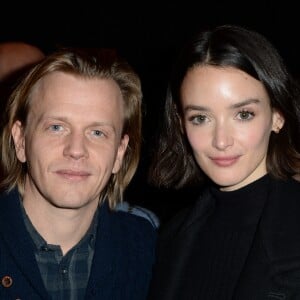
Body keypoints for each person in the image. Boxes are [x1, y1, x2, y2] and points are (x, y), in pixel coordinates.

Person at [147, 24, 300, 299]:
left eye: (243, 114)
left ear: (277, 115)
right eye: (201, 118)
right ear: (181, 124)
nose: (221, 140)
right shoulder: (171, 236)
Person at [0, 47, 156, 299]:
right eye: (57, 127)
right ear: (20, 140)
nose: (76, 150)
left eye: (97, 133)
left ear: (119, 153)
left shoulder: (151, 252)